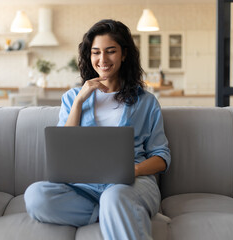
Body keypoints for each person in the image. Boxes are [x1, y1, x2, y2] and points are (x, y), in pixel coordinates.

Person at [24, 19, 171, 240]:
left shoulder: (146, 102)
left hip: (132, 184)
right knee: (36, 196)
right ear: (89, 56)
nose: (103, 59)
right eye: (96, 52)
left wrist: (135, 170)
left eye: (110, 51)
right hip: (85, 189)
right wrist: (79, 102)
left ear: (124, 54)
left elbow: (161, 157)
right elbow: (65, 150)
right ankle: (116, 213)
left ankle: (119, 207)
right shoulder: (73, 98)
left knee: (115, 197)